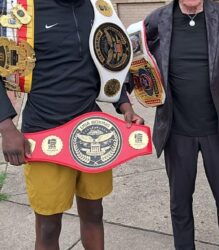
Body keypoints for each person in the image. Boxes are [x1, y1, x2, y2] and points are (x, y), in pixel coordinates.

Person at [0, 0, 144, 249]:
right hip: (44, 135)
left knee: (94, 213)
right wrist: (6, 127)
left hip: (92, 129)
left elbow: (109, 62)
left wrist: (124, 106)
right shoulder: (24, 11)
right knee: (48, 226)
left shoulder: (98, 8)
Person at [143, 0, 219, 249]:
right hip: (176, 130)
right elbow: (138, 65)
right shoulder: (155, 20)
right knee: (179, 205)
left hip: (218, 129)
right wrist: (126, 103)